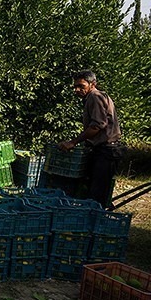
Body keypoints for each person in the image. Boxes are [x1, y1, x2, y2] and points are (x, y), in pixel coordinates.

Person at [58, 70, 124, 209]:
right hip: (104, 149)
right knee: (97, 190)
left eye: (81, 86)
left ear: (92, 84)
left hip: (107, 150)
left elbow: (97, 126)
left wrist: (73, 142)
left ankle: (97, 217)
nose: (77, 90)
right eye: (75, 86)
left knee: (97, 193)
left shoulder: (95, 97)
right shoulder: (94, 97)